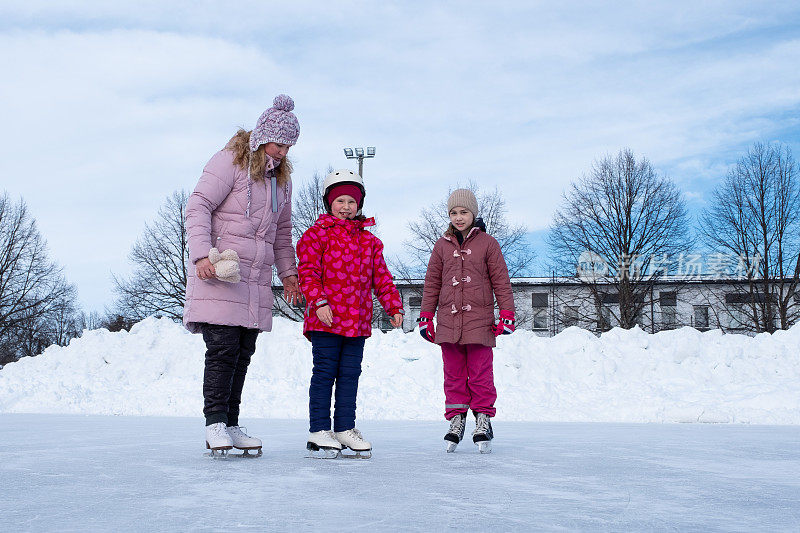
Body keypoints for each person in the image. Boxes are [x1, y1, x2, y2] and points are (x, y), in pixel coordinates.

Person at [183, 94, 304, 456]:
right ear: (262, 135)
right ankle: (215, 424)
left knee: (242, 352)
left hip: (255, 282)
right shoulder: (229, 163)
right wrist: (201, 254)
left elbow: (282, 233)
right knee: (222, 350)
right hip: (222, 273)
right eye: (279, 143)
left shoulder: (280, 182)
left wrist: (290, 275)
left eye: (289, 145)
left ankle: (231, 424)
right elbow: (198, 205)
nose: (283, 151)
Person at [296, 169, 404, 458]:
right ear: (329, 203)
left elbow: (382, 278)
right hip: (326, 319)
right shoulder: (316, 236)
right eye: (340, 201)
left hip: (356, 322)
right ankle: (319, 430)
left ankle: (344, 428)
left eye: (351, 202)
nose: (346, 207)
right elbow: (308, 273)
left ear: (359, 205)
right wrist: (319, 303)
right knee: (324, 374)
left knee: (349, 375)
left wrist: (393, 306)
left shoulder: (369, 242)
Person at [417, 188, 516, 453]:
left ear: (474, 213)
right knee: (453, 375)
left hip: (480, 322)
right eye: (453, 213)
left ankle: (483, 419)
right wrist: (426, 316)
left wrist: (506, 313)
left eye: (464, 212)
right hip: (449, 324)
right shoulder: (441, 245)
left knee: (481, 375)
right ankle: (456, 419)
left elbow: (501, 282)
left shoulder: (488, 243)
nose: (459, 217)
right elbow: (432, 284)